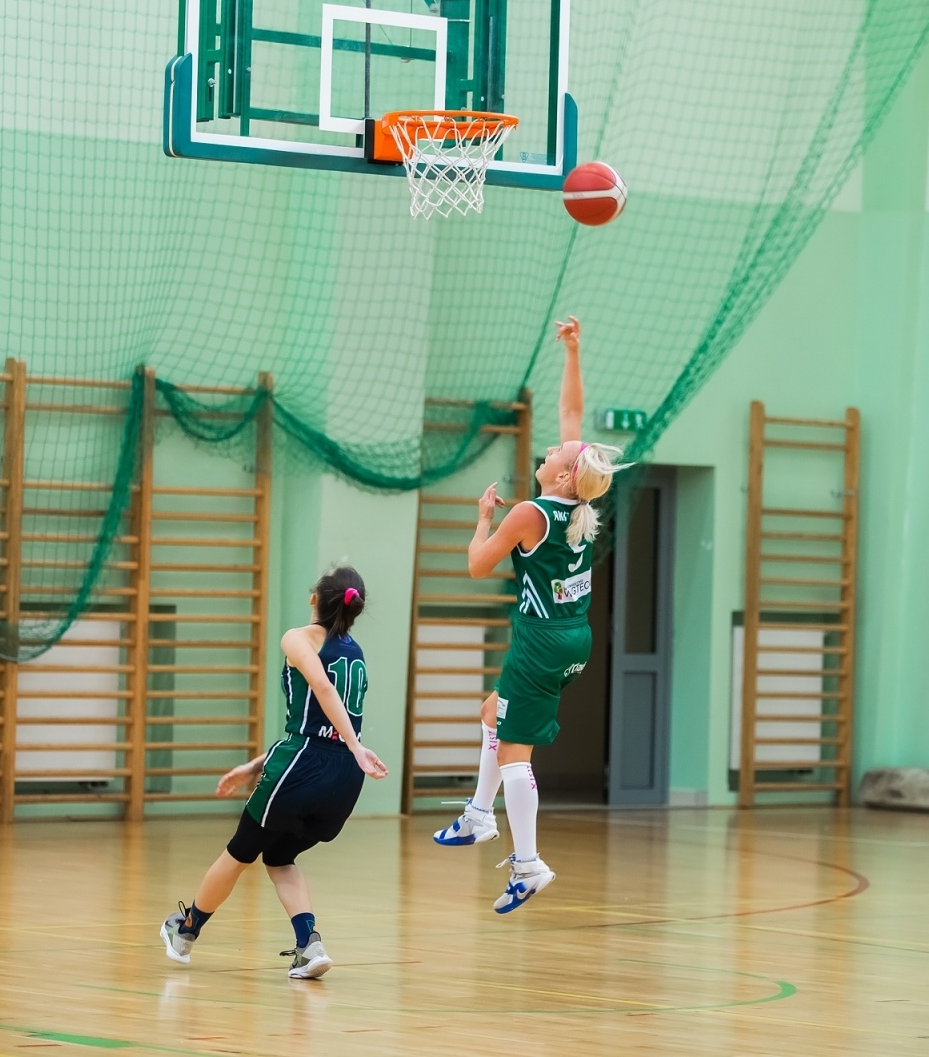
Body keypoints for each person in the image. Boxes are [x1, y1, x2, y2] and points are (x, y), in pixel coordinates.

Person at [432, 316, 627, 912]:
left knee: (515, 751)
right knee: (492, 712)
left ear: (564, 473)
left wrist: (484, 518)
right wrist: (573, 353)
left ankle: (528, 862)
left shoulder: (529, 513)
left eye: (555, 454)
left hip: (540, 641)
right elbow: (573, 423)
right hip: (573, 639)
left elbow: (475, 567)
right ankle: (476, 815)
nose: (549, 447)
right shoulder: (578, 504)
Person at [160, 566, 387, 977]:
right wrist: (258, 764)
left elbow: (320, 691)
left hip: (306, 764)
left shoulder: (298, 638)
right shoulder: (355, 651)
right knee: (280, 857)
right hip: (343, 778)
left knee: (238, 852)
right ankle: (309, 945)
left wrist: (354, 743)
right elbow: (318, 723)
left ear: (315, 597)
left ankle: (185, 932)